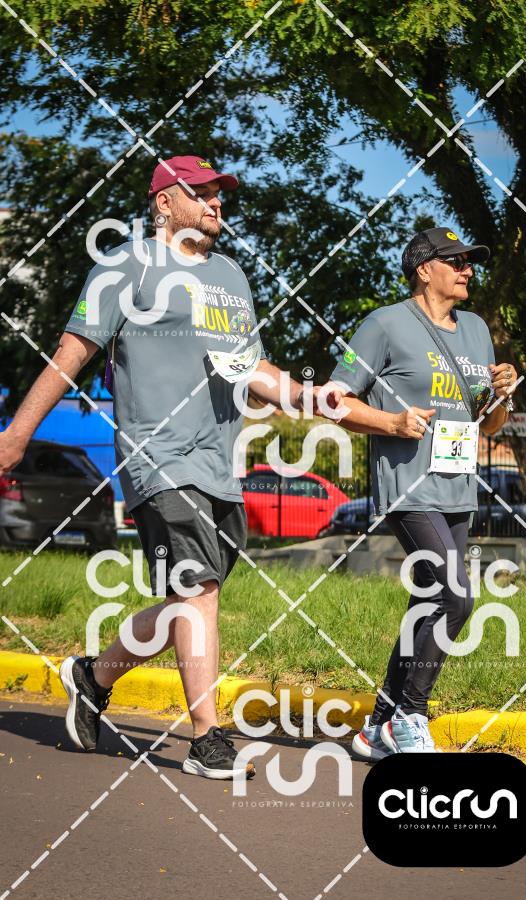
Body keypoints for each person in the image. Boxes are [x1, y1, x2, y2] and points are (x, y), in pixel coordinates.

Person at [0, 154, 339, 779]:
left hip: (218, 462)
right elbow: (71, 353)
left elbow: (253, 371)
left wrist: (313, 399)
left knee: (188, 602)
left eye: (219, 194)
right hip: (156, 455)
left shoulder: (230, 276)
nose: (215, 204)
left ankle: (93, 677)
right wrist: (16, 434)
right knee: (197, 590)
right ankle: (207, 740)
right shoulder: (124, 267)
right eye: (201, 193)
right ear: (164, 202)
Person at [329, 226, 516, 755]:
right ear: (424, 269)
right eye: (456, 261)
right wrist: (391, 422)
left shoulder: (476, 329)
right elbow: (335, 400)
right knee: (456, 597)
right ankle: (410, 714)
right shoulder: (384, 324)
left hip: (458, 488)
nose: (467, 270)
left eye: (469, 262)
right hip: (407, 488)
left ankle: (376, 727)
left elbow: (489, 423)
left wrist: (502, 395)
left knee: (429, 602)